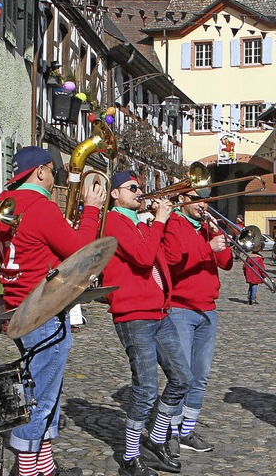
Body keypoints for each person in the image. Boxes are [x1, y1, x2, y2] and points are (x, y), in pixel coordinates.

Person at [0, 146, 105, 476]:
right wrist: (92, 210)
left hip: (17, 305)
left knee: (45, 388)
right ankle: (27, 468)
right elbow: (80, 252)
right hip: (42, 308)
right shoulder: (39, 207)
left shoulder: (4, 206)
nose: (54, 179)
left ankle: (44, 465)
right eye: (53, 172)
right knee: (39, 394)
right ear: (40, 171)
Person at [102, 171, 192, 476]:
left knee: (182, 377)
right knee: (146, 390)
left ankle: (154, 439)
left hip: (159, 310)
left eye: (140, 187)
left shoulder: (141, 222)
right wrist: (159, 221)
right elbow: (141, 258)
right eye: (132, 188)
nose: (139, 192)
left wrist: (171, 220)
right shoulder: (114, 221)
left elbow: (172, 255)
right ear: (115, 194)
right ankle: (129, 456)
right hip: (134, 314)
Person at [162, 190, 233, 457]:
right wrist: (207, 247)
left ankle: (187, 430)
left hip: (208, 310)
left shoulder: (206, 227)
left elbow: (225, 263)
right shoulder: (174, 224)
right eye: (195, 198)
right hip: (181, 308)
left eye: (205, 200)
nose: (202, 205)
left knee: (200, 376)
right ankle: (171, 430)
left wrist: (217, 237)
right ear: (182, 200)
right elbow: (174, 262)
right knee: (181, 375)